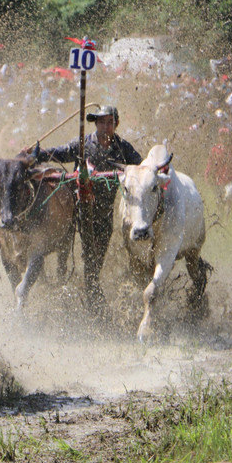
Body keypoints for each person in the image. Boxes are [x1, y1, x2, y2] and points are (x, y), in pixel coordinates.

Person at [34, 105, 143, 310]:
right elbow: (61, 152)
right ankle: (71, 285)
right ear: (95, 124)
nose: (105, 126)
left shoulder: (123, 148)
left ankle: (92, 287)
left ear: (116, 124)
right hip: (80, 208)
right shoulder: (83, 144)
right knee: (79, 249)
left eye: (109, 122)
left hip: (105, 212)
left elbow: (141, 167)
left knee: (96, 257)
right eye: (101, 122)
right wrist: (38, 154)